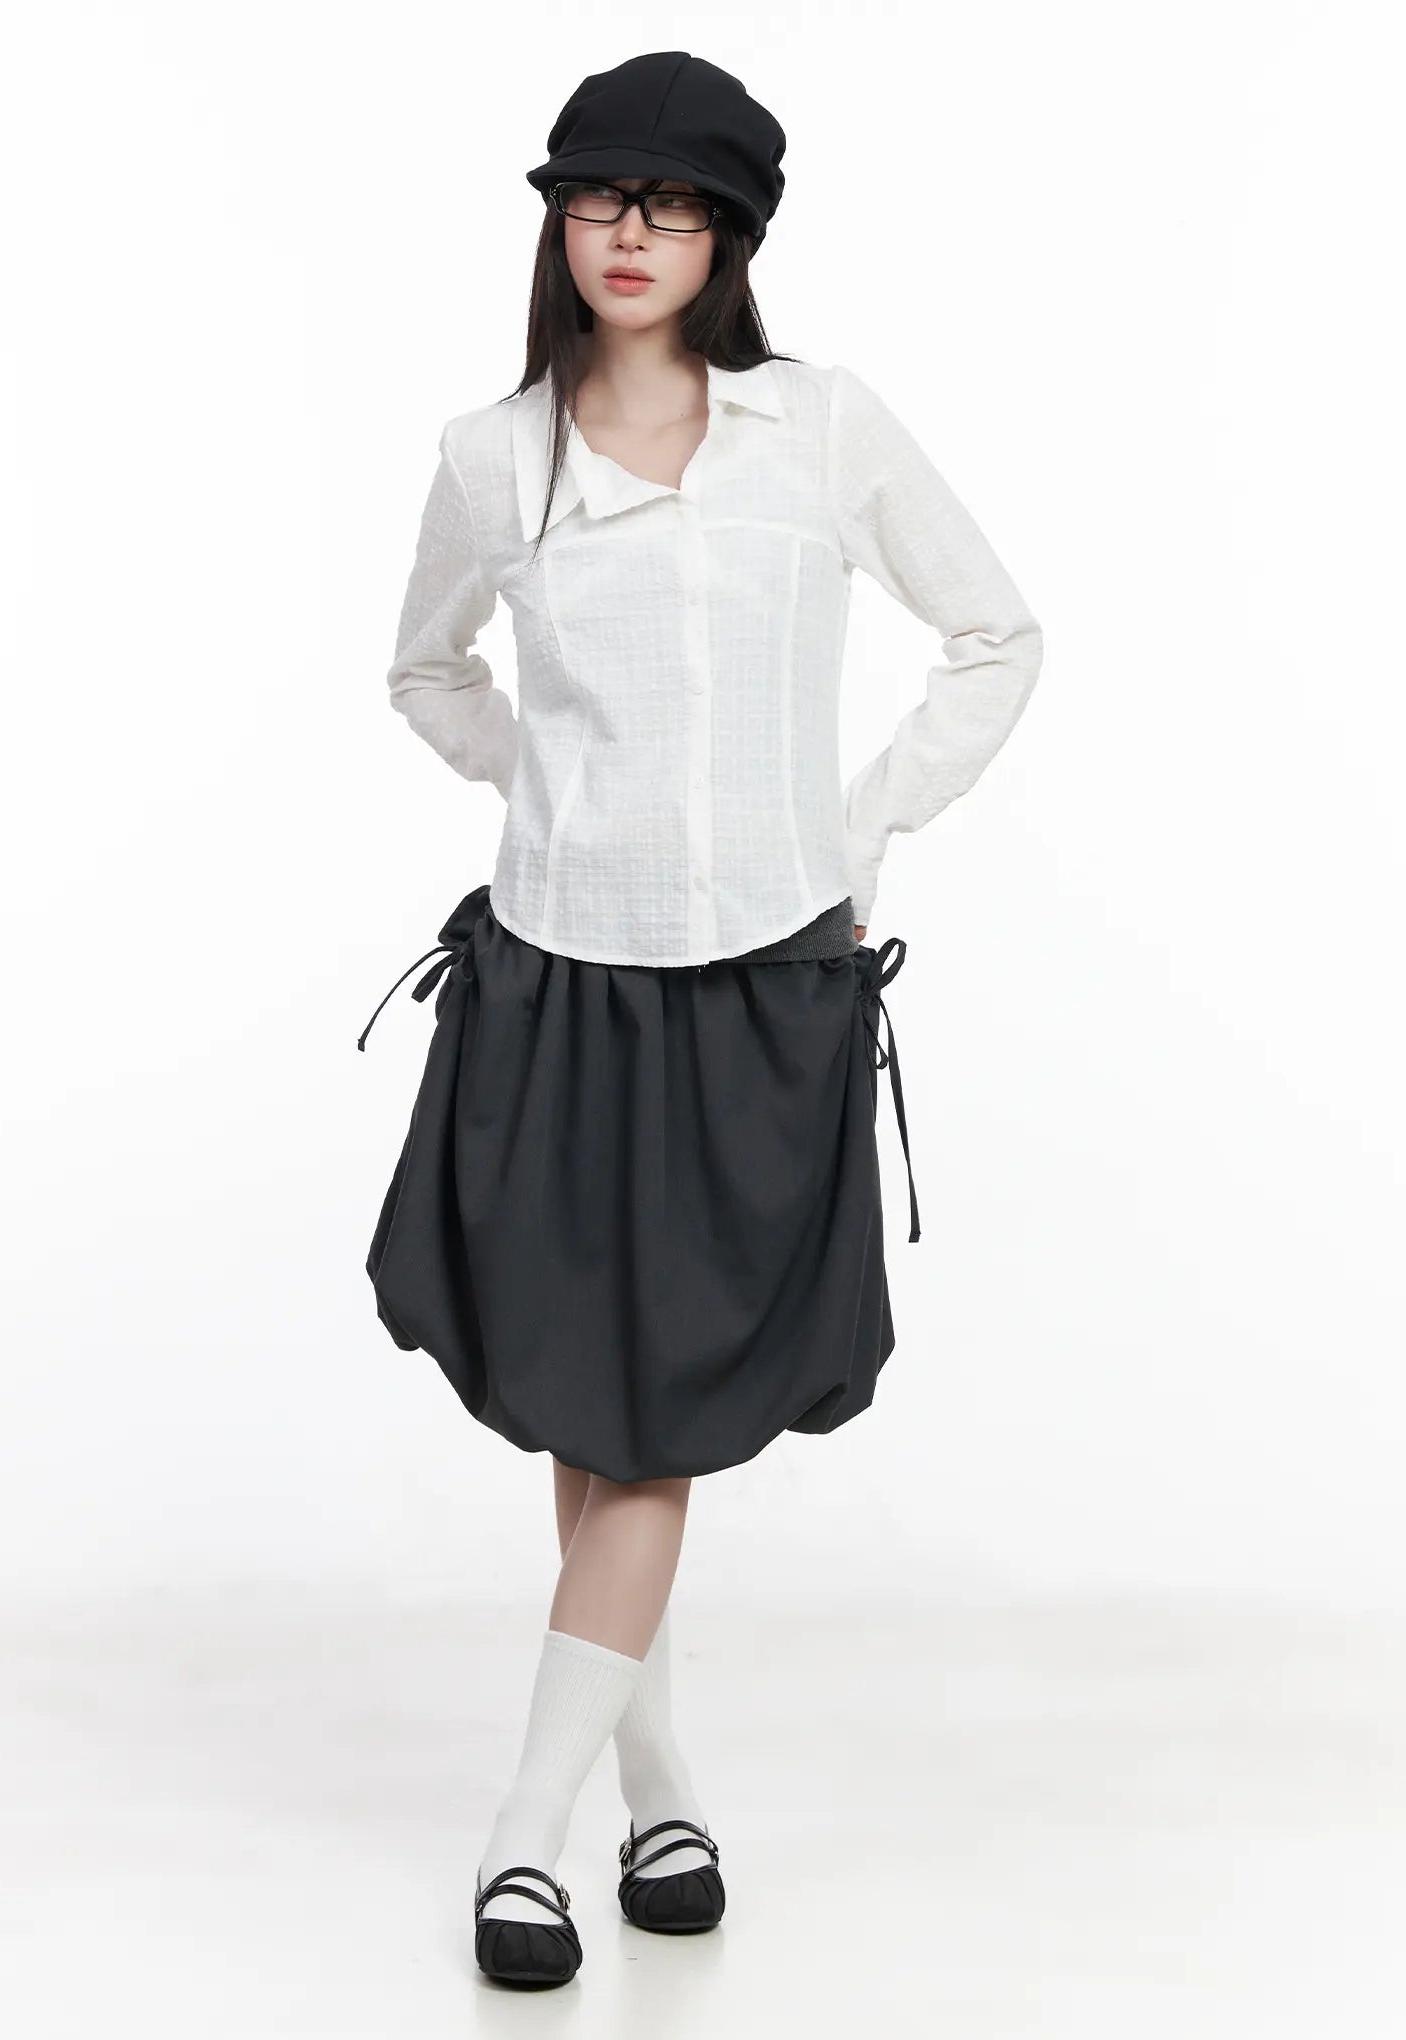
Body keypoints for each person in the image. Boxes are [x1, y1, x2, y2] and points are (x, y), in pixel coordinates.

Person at [357, 50, 1044, 1987]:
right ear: (559, 222)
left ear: (730, 233)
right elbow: (426, 671)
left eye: (670, 204)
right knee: (596, 1414)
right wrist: (552, 796)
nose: (630, 233)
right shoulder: (493, 457)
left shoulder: (818, 429)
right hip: (555, 977)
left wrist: (859, 826)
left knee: (649, 1421)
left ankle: (527, 1832)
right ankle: (656, 1791)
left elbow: (998, 634)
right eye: (598, 197)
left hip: (761, 981)